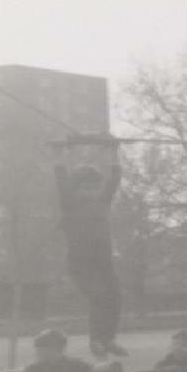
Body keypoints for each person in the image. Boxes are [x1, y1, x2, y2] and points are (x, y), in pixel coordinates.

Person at [53, 134, 126, 358]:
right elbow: (61, 177)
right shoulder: (70, 203)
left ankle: (109, 338)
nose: (91, 190)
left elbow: (114, 180)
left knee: (114, 295)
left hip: (103, 260)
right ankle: (96, 341)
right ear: (76, 188)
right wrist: (59, 153)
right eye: (86, 186)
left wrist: (114, 151)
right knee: (98, 296)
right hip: (81, 263)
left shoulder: (102, 202)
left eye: (95, 186)